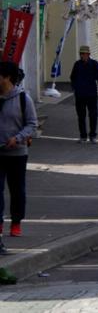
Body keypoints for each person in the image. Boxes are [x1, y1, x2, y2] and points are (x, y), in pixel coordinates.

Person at [0, 61, 37, 247]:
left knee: (17, 190)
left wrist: (18, 138)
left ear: (7, 78)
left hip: (17, 153)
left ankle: (16, 222)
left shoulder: (23, 99)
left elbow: (32, 124)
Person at [70, 45, 98, 143]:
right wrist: (75, 87)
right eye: (81, 54)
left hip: (92, 94)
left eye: (85, 54)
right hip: (80, 94)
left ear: (89, 54)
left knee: (93, 115)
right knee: (81, 116)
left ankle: (93, 135)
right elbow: (72, 77)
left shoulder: (94, 64)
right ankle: (83, 136)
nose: (83, 56)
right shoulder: (77, 64)